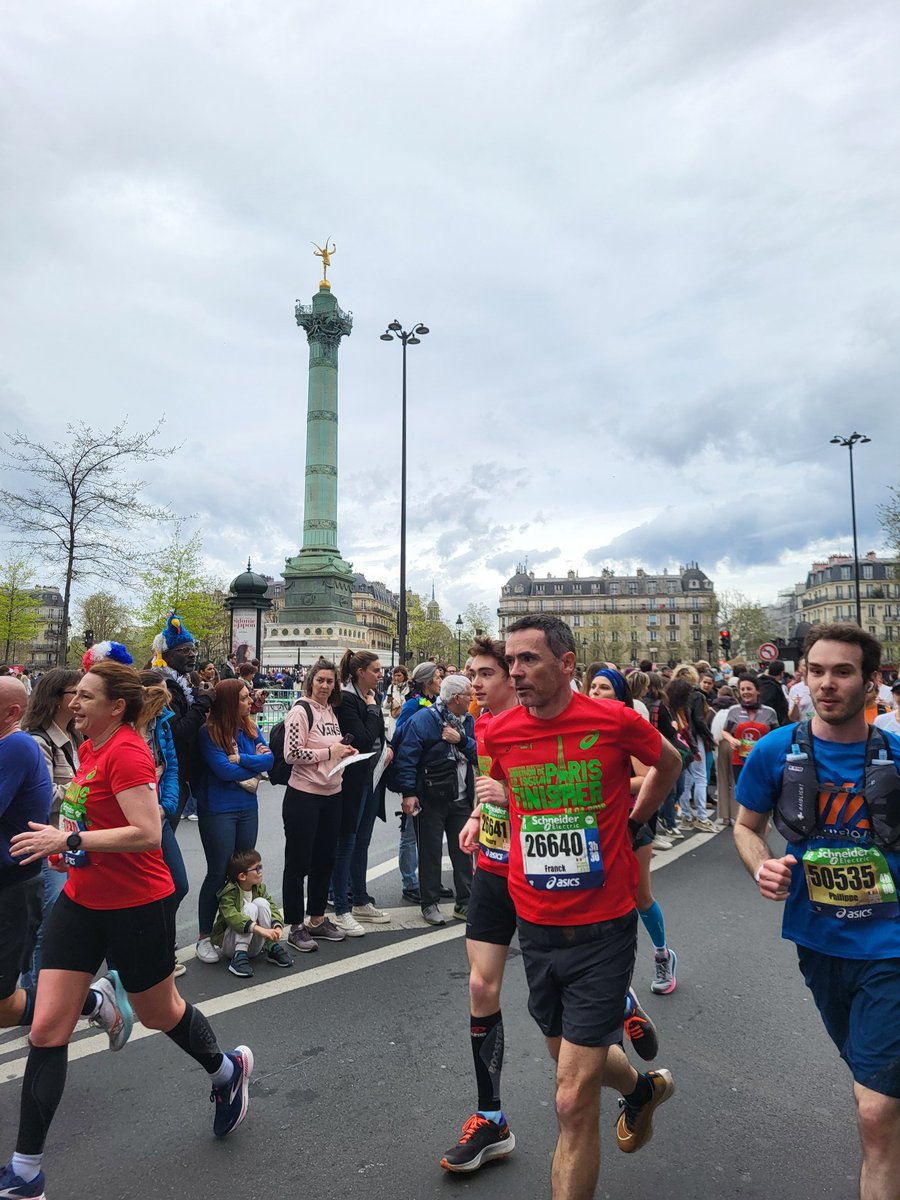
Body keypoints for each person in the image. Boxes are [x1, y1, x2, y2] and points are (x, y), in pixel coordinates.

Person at [0, 660, 253, 1199]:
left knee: (161, 1012)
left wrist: (68, 843)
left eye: (86, 697)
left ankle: (227, 1070)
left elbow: (146, 831)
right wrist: (65, 839)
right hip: (81, 902)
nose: (74, 703)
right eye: (75, 696)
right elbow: (87, 819)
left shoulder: (128, 751)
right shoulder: (87, 748)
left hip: (138, 904)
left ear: (117, 706)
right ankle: (25, 1174)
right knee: (46, 1029)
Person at [483, 615, 681, 1200]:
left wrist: (635, 816)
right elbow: (502, 790)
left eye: (529, 660)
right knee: (575, 1056)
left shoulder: (614, 720)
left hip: (604, 927)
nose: (515, 671)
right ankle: (642, 1090)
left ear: (567, 664)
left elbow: (668, 764)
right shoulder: (498, 731)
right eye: (511, 660)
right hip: (537, 926)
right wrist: (479, 819)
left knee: (571, 1100)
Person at [734, 624, 900, 1200]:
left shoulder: (897, 756)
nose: (827, 684)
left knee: (875, 1108)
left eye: (843, 671)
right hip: (818, 944)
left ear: (870, 681)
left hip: (891, 947)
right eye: (817, 671)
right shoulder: (775, 750)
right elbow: (746, 826)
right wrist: (761, 865)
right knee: (870, 1083)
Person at [442, 636, 520, 1171]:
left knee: (562, 1012)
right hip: (494, 863)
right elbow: (487, 783)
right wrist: (476, 817)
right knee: (478, 984)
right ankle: (491, 1117)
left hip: (541, 873)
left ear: (513, 676)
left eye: (485, 673)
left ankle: (617, 1001)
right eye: (471, 673)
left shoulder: (543, 723)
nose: (474, 682)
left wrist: (512, 801)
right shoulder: (483, 724)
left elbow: (572, 796)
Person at [588, 667, 677, 993]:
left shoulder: (624, 724)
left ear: (619, 695)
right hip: (593, 825)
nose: (596, 693)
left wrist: (609, 784)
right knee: (598, 900)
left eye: (605, 688)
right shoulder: (581, 727)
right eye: (593, 687)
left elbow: (647, 776)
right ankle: (612, 981)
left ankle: (662, 955)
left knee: (640, 896)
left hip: (630, 821)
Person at [195, 680, 274, 964]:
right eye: (243, 698)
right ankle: (204, 936)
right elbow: (223, 770)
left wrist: (241, 758)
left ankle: (235, 930)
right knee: (218, 872)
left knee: (242, 871)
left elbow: (271, 761)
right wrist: (253, 761)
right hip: (218, 809)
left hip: (246, 807)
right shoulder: (209, 732)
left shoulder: (250, 727)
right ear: (229, 702)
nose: (249, 701)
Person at [281, 659, 356, 952]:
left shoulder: (331, 712)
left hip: (332, 793)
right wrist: (330, 751)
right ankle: (295, 925)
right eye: (320, 680)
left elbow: (329, 749)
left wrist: (344, 753)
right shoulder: (301, 711)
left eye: (330, 681)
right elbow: (292, 753)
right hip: (304, 795)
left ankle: (316, 918)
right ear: (311, 681)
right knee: (298, 862)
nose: (325, 686)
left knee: (325, 859)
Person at [395, 674, 478, 926]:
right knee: (430, 851)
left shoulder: (469, 720)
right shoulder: (424, 719)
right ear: (455, 698)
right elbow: (407, 758)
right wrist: (409, 793)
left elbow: (479, 753)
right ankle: (428, 903)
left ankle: (466, 902)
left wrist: (460, 740)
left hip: (462, 796)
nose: (472, 698)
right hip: (431, 798)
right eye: (468, 694)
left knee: (463, 850)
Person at [19, 668, 83, 989]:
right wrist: (85, 788)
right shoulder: (37, 740)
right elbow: (43, 796)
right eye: (77, 694)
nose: (82, 700)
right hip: (49, 843)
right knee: (46, 924)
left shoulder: (74, 736)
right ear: (57, 699)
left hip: (69, 841)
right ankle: (35, 997)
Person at [0, 675, 53, 1033]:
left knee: (3, 1001)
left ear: (12, 711)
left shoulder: (16, 746)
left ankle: (90, 1003)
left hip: (12, 887)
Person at [332, 650, 391, 937]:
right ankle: (341, 905)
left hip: (372, 777)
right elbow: (366, 738)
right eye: (376, 670)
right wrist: (371, 709)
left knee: (363, 841)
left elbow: (379, 734)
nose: (381, 675)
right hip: (354, 780)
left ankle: (360, 899)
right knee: (348, 842)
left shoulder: (369, 698)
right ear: (360, 672)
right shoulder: (349, 700)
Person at [136, 668, 190, 977]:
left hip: (159, 816)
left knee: (177, 884)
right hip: (131, 820)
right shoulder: (121, 729)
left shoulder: (162, 725)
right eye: (157, 697)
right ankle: (147, 950)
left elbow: (170, 769)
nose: (163, 704)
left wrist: (166, 807)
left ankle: (160, 944)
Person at [151, 613, 213, 827]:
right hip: (169, 774)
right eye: (184, 650)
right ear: (165, 654)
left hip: (179, 773)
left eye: (193, 650)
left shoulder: (180, 682)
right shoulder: (165, 685)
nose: (192, 655)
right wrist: (203, 703)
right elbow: (178, 730)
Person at [210, 848, 291, 977]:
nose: (261, 872)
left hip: (255, 946)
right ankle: (239, 958)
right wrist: (259, 929)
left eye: (261, 867)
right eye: (257, 869)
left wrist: (277, 926)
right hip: (232, 947)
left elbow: (272, 907)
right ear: (242, 876)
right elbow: (232, 917)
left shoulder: (259, 888)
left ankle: (271, 946)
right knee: (250, 908)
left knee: (262, 902)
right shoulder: (229, 893)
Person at [721, 677, 779, 787]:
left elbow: (776, 736)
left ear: (757, 691)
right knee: (742, 795)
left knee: (762, 793)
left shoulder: (769, 712)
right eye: (742, 689)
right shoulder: (734, 711)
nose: (745, 692)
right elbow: (725, 732)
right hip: (740, 761)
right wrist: (732, 740)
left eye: (749, 689)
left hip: (763, 761)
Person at [757, 660, 790, 726]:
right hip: (774, 724)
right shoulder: (769, 686)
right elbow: (766, 704)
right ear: (782, 673)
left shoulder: (767, 683)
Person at [382, 665, 409, 740]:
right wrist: (388, 700)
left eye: (399, 675)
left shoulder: (409, 687)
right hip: (394, 718)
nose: (396, 678)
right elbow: (385, 706)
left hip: (405, 718)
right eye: (395, 675)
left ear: (404, 676)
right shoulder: (391, 687)